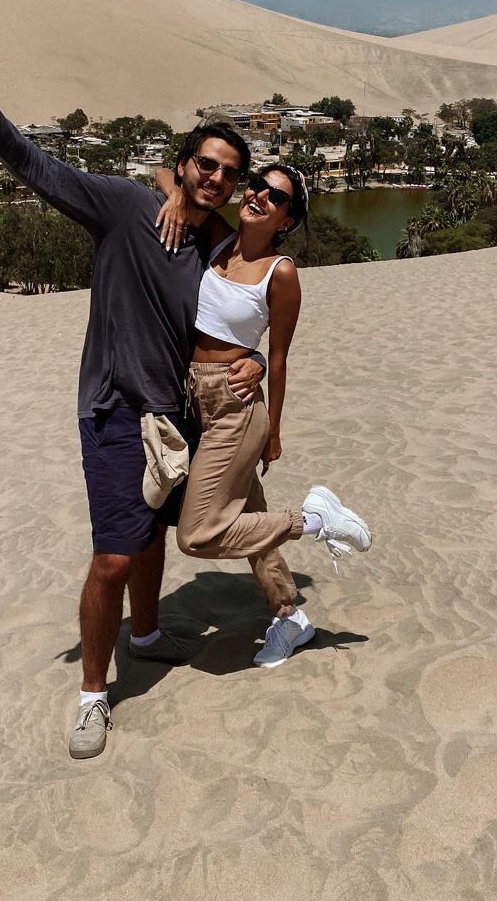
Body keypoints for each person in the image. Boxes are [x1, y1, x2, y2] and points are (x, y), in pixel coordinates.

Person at [0, 54, 265, 761]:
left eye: (229, 173)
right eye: (205, 164)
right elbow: (39, 169)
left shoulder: (219, 249)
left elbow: (248, 315)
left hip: (181, 417)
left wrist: (257, 360)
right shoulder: (125, 206)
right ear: (185, 164)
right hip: (115, 410)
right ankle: (91, 695)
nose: (215, 177)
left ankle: (147, 633)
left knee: (153, 533)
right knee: (112, 556)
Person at [156, 165, 371, 667]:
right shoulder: (218, 238)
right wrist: (174, 196)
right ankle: (289, 616)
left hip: (236, 406)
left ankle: (314, 520)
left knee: (197, 534)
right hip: (195, 400)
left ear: (286, 220)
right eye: (256, 184)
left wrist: (273, 430)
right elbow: (167, 172)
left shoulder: (282, 272)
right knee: (249, 520)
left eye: (275, 197)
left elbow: (277, 356)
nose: (258, 195)